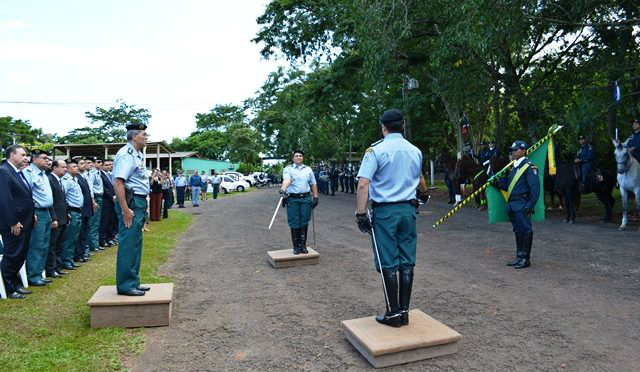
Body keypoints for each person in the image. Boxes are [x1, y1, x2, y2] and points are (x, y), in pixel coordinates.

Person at [354, 109, 428, 327]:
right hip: (408, 210)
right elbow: (420, 178)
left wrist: (360, 213)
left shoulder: (376, 150)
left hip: (386, 211)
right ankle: (404, 312)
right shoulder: (415, 150)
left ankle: (393, 313)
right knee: (406, 260)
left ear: (383, 127)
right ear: (402, 126)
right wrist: (423, 194)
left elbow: (363, 184)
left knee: (387, 260)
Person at [113, 123, 151, 296]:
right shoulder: (126, 155)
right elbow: (118, 182)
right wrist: (125, 209)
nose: (146, 136)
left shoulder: (137, 154)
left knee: (135, 243)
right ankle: (126, 285)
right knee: (128, 244)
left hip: (138, 202)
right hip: (131, 203)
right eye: (144, 134)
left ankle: (133, 281)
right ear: (134, 136)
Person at [496, 141, 540, 269]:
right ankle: (519, 256)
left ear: (523, 150)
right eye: (512, 150)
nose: (513, 152)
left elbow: (535, 189)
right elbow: (510, 187)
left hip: (522, 203)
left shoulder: (530, 167)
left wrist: (529, 206)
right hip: (512, 204)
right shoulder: (514, 168)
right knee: (517, 230)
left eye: (515, 150)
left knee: (526, 230)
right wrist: (498, 183)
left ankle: (525, 259)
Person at [0, 145, 35, 299]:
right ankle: (8, 287)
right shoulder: (4, 171)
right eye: (22, 154)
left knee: (20, 254)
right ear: (12, 155)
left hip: (25, 221)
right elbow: (5, 200)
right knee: (12, 254)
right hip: (13, 224)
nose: (25, 157)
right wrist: (13, 221)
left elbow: (24, 197)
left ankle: (15, 284)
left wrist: (32, 214)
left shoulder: (16, 172)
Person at [23, 149, 55, 286]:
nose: (47, 161)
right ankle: (33, 275)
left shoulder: (43, 174)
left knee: (44, 244)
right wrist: (32, 214)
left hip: (46, 211)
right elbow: (26, 195)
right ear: (34, 159)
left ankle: (39, 272)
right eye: (44, 158)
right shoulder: (28, 173)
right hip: (36, 211)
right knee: (36, 244)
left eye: (48, 158)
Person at [279, 150, 319, 255]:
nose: (298, 157)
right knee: (294, 221)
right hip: (293, 199)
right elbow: (287, 180)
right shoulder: (288, 169)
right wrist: (283, 189)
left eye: (300, 156)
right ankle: (296, 246)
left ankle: (303, 246)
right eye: (296, 156)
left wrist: (315, 197)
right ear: (293, 158)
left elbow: (313, 184)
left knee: (304, 221)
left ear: (303, 158)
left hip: (306, 198)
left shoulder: (308, 169)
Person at [46, 159, 69, 278]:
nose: (65, 169)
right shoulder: (50, 179)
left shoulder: (59, 180)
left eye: (66, 167)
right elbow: (51, 202)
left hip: (63, 217)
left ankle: (58, 267)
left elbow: (62, 200)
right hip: (56, 218)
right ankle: (51, 269)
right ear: (54, 168)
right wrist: (54, 218)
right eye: (63, 167)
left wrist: (67, 214)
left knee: (60, 244)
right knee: (53, 245)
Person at [60, 159, 84, 271]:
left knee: (74, 237)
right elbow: (63, 197)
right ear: (68, 169)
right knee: (69, 237)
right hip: (72, 211)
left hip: (78, 211)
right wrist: (67, 212)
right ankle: (65, 261)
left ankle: (70, 259)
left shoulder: (75, 179)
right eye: (74, 166)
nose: (77, 168)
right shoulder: (66, 180)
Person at [75, 157, 95, 263]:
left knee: (85, 232)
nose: (83, 165)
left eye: (84, 163)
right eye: (81, 163)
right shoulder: (76, 177)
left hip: (87, 209)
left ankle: (82, 253)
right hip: (82, 209)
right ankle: (78, 254)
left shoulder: (82, 177)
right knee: (80, 233)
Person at [87, 157, 104, 251]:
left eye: (101, 162)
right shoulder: (92, 174)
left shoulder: (98, 173)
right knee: (94, 222)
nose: (100, 163)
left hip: (100, 197)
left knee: (97, 222)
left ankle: (95, 244)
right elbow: (91, 188)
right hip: (96, 198)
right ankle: (93, 245)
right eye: (98, 162)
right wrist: (93, 201)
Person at [99, 159, 116, 247]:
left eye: (110, 165)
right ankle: (103, 240)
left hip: (112, 201)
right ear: (102, 166)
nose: (109, 166)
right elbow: (104, 188)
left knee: (111, 220)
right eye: (106, 165)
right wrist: (111, 196)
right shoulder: (101, 175)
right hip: (106, 201)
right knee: (104, 221)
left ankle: (110, 237)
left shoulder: (110, 175)